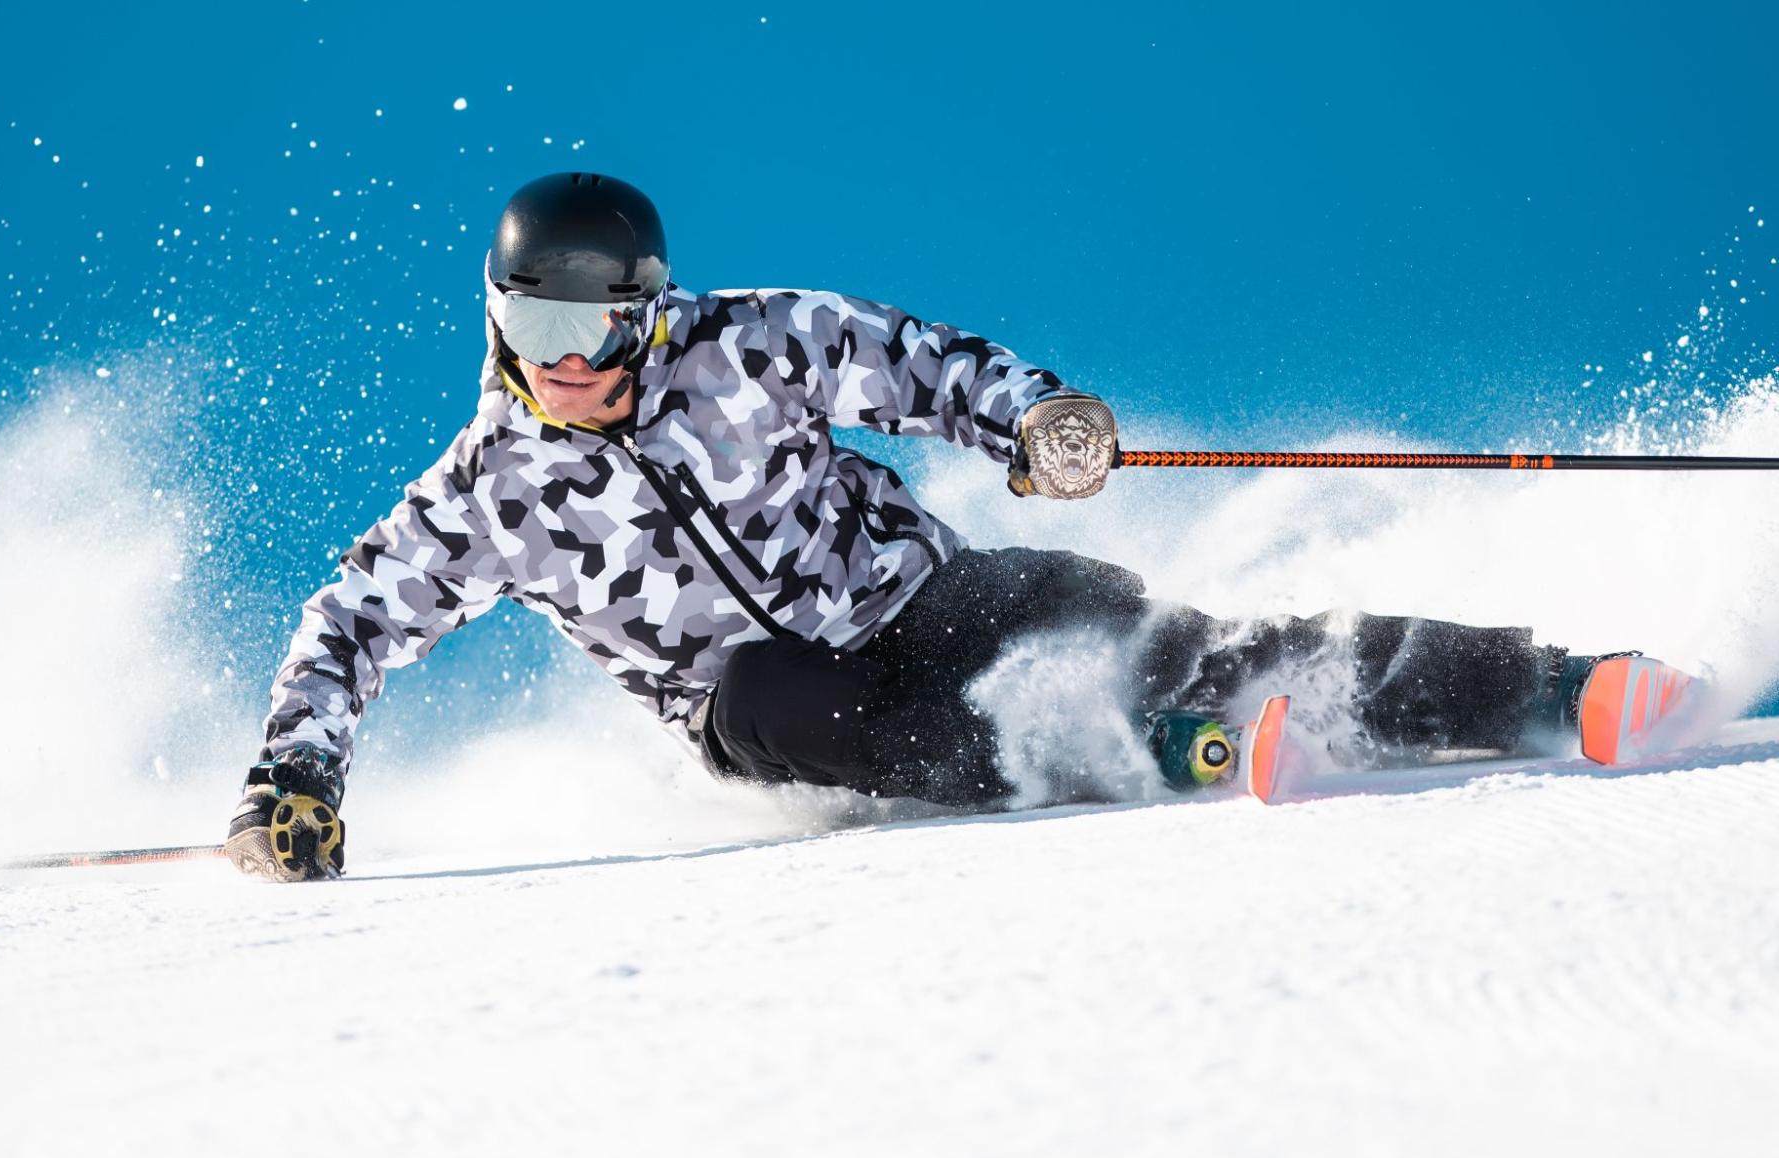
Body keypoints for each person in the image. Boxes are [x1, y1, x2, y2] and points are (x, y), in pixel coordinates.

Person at [225, 171, 1625, 881]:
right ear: (498, 315)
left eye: (595, 325)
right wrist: (298, 768)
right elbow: (354, 616)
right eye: (537, 324)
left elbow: (916, 363)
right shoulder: (489, 490)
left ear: (648, 314)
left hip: (920, 599)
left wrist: (1033, 420)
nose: (568, 360)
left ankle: (1541, 683)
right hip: (769, 707)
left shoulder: (754, 342)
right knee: (783, 695)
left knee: (1160, 631)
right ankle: (1135, 751)